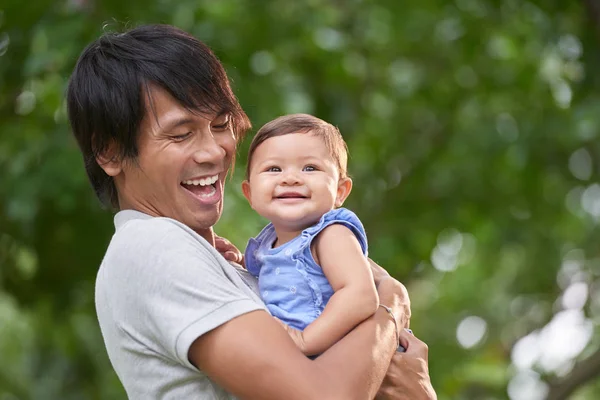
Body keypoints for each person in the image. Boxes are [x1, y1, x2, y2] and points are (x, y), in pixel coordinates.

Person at [66, 23, 436, 399]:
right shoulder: (152, 245)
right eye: (181, 134)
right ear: (111, 152)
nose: (214, 151)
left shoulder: (236, 258)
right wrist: (391, 306)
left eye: (221, 124)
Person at [242, 114, 379, 356]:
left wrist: (306, 340)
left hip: (330, 356)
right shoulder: (265, 244)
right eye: (274, 168)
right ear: (250, 193)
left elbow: (361, 295)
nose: (290, 178)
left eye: (310, 168)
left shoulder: (330, 235)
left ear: (340, 191)